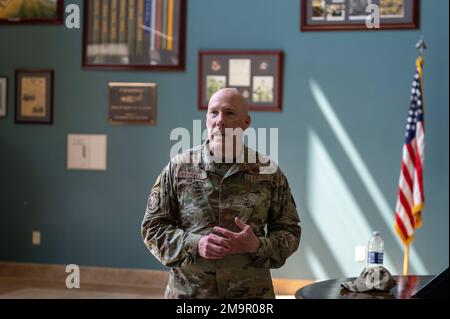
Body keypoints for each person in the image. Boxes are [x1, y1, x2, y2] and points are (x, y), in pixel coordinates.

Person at [141, 88, 301, 299]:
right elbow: (153, 228)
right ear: (206, 119)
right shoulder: (179, 168)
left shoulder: (267, 172)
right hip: (191, 294)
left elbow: (290, 231)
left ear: (246, 122)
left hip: (250, 296)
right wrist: (196, 244)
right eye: (213, 113)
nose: (219, 121)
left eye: (229, 113)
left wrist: (257, 245)